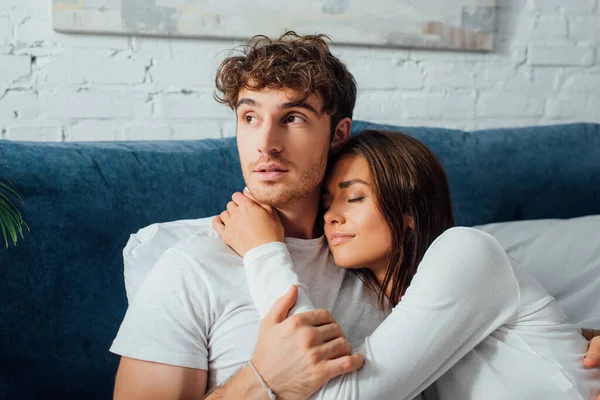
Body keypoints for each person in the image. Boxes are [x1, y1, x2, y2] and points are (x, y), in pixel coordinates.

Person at [109, 32, 600, 400]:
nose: (266, 143)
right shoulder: (190, 269)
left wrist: (582, 342)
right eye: (249, 116)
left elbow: (484, 323)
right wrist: (260, 383)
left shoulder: (370, 256)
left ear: (338, 132)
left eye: (294, 117)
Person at [214, 129, 600, 399]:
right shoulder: (390, 320)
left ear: (408, 212)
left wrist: (263, 251)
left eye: (355, 197)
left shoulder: (464, 250)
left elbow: (341, 395)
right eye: (328, 201)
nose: (331, 215)